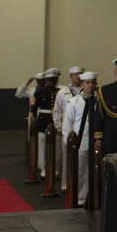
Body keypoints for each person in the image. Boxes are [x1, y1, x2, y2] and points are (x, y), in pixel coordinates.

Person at [62, 71, 97, 206]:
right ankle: (81, 198)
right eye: (87, 83)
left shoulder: (100, 100)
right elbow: (68, 125)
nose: (90, 86)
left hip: (95, 141)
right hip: (80, 141)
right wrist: (69, 144)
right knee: (81, 171)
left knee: (95, 171)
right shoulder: (74, 102)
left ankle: (93, 197)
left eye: (93, 83)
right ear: (82, 84)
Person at [53, 66, 84, 191]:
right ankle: (66, 185)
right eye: (75, 74)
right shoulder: (62, 92)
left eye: (80, 74)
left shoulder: (87, 91)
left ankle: (80, 186)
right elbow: (57, 112)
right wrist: (59, 128)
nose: (78, 77)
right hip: (67, 130)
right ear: (70, 76)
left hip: (82, 130)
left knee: (82, 160)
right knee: (67, 158)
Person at [33, 68, 61, 179]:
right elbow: (34, 108)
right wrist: (34, 120)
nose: (52, 82)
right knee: (42, 146)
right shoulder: (39, 92)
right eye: (50, 80)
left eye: (54, 80)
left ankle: (56, 169)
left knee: (57, 147)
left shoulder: (60, 92)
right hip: (43, 121)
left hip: (57, 121)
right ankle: (43, 169)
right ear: (46, 80)